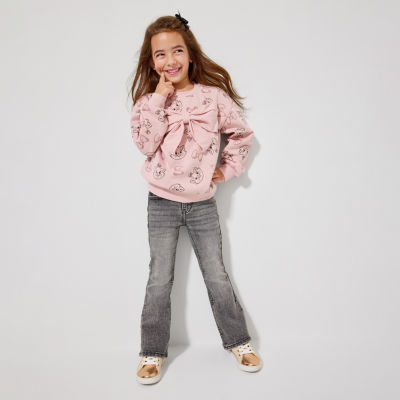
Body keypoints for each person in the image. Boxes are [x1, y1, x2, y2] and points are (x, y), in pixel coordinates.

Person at [129, 12, 262, 385]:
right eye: (160, 54)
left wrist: (228, 169)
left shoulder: (213, 98)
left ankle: (238, 341)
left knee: (216, 274)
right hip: (161, 203)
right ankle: (152, 351)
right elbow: (145, 145)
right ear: (151, 62)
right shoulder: (147, 102)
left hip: (202, 203)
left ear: (190, 55)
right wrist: (159, 99)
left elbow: (241, 134)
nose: (169, 60)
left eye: (177, 51)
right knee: (159, 278)